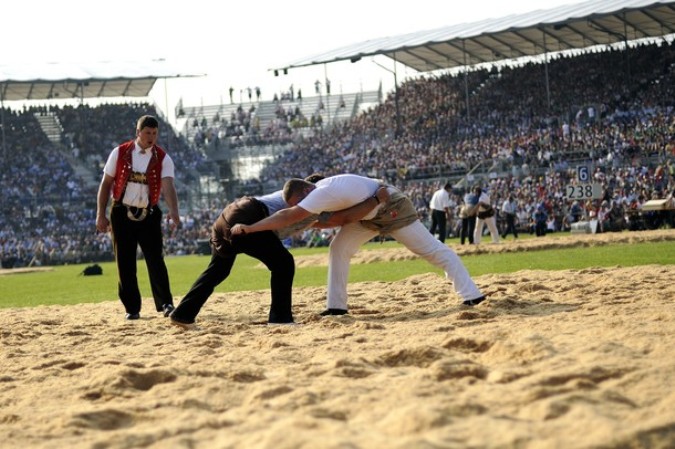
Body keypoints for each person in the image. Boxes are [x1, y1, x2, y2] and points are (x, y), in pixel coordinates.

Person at [231, 174, 486, 315]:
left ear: (307, 191)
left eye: (299, 202)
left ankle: (472, 296)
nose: (300, 207)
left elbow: (343, 218)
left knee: (430, 250)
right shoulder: (322, 193)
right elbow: (330, 220)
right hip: (368, 213)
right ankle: (336, 307)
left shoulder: (324, 192)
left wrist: (252, 228)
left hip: (390, 207)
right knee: (338, 249)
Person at [169, 182, 391, 328]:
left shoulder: (302, 199)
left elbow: (327, 221)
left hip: (225, 217)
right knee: (283, 263)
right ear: (308, 190)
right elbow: (292, 216)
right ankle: (280, 319)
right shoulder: (309, 200)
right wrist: (375, 201)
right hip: (249, 214)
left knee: (218, 270)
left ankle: (183, 314)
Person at [96, 115, 181, 320]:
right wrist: (100, 214)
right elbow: (106, 184)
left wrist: (174, 211)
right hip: (120, 212)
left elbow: (168, 186)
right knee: (125, 262)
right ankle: (132, 308)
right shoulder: (119, 152)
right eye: (147, 133)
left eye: (154, 133)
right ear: (138, 132)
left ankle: (166, 304)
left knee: (155, 260)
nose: (151, 137)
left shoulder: (163, 158)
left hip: (149, 213)